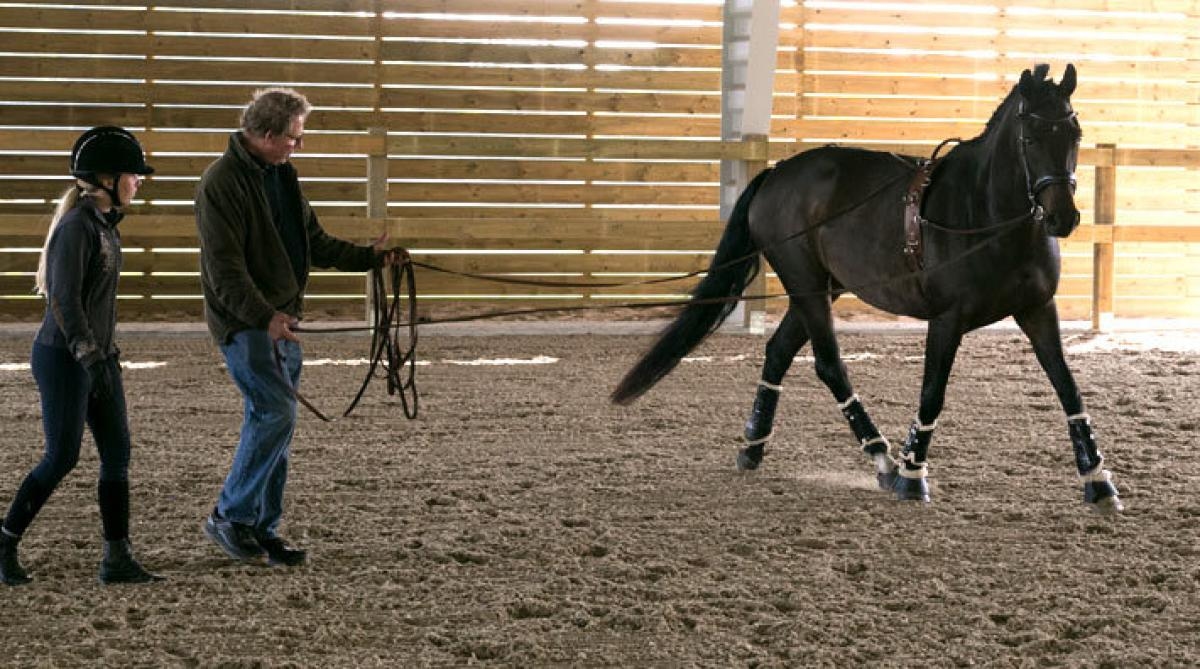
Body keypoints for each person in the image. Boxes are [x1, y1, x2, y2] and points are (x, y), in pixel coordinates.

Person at [194, 88, 400, 567]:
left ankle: (261, 528)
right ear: (267, 135)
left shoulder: (282, 175)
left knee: (275, 424)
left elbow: (314, 242)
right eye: (294, 138)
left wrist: (371, 259)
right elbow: (224, 270)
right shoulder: (220, 184)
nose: (298, 146)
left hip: (280, 319)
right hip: (247, 323)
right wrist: (265, 317)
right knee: (276, 415)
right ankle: (230, 516)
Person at [0, 126, 162, 586]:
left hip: (98, 356)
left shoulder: (104, 226)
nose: (139, 182)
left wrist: (103, 357)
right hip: (64, 357)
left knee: (117, 453)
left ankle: (117, 558)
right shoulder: (76, 228)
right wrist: (89, 356)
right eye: (134, 175)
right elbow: (64, 302)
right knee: (62, 456)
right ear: (107, 178)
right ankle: (5, 539)